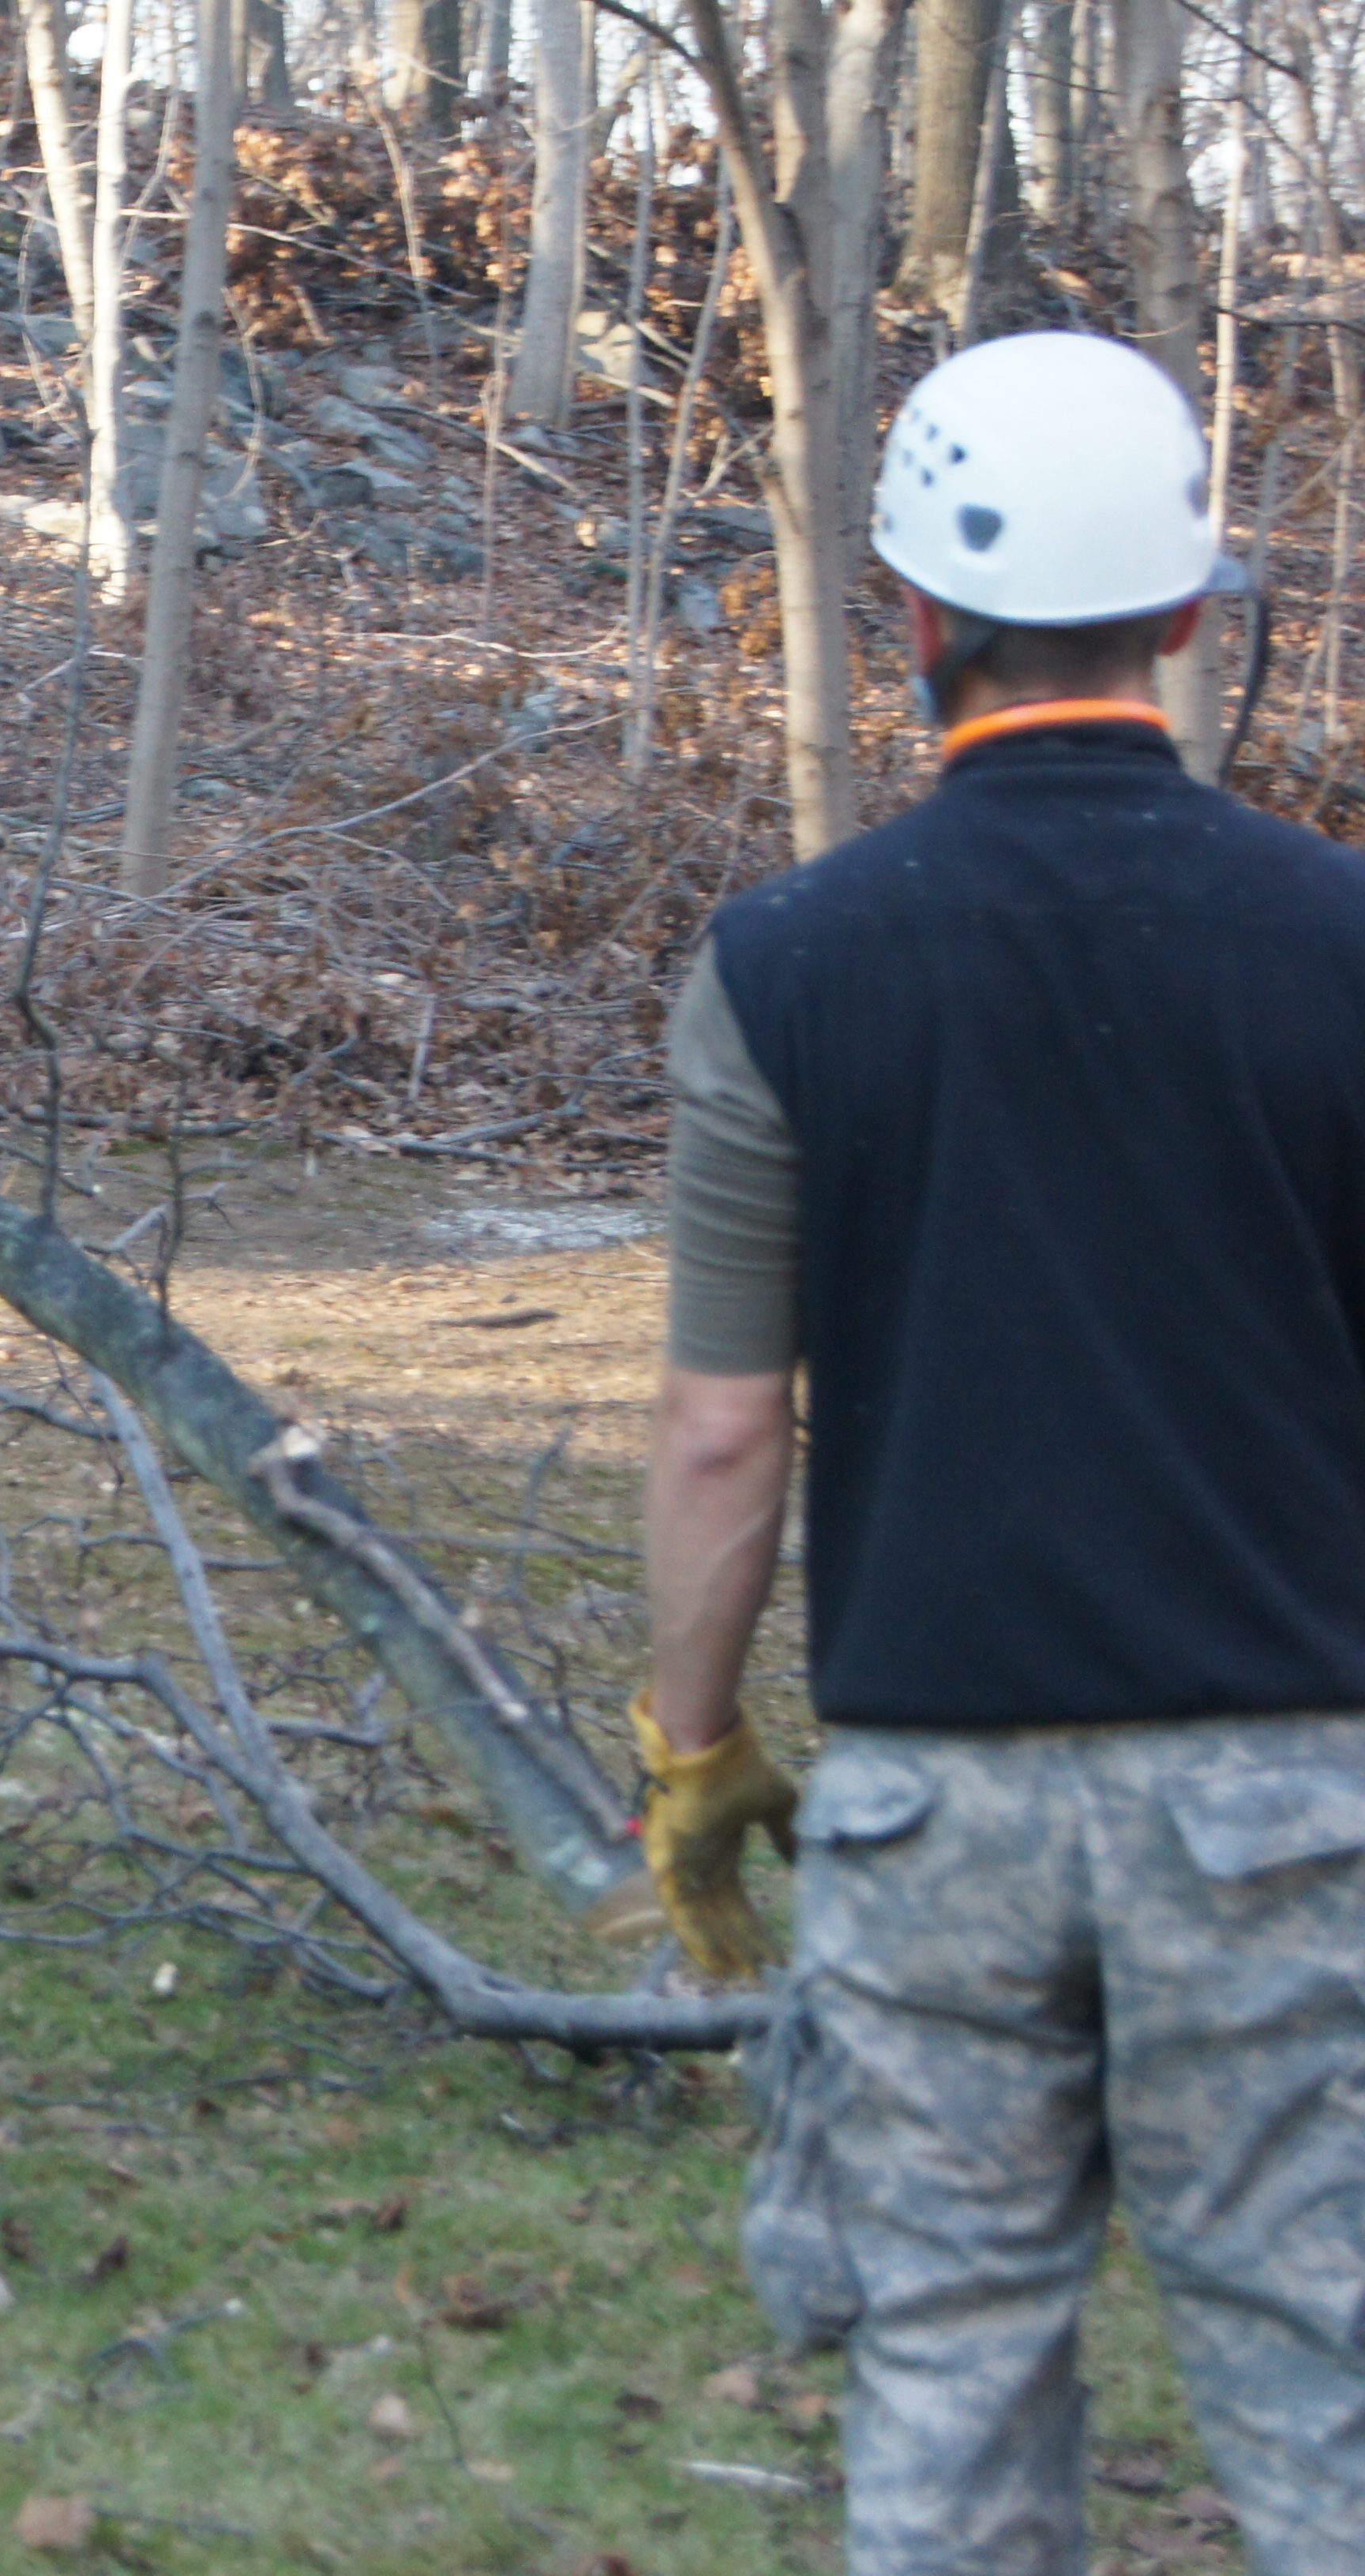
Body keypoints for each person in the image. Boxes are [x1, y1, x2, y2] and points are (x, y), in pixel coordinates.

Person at [639, 331, 1365, 2574]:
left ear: (918, 620)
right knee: (1323, 2374)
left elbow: (722, 1427)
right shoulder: (1348, 946)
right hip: (1283, 1785)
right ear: (1186, 611)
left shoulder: (784, 965)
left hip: (933, 1791)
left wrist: (693, 1749)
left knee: (949, 2362)